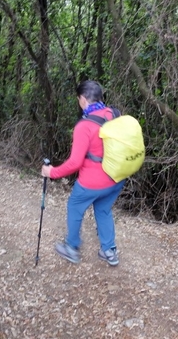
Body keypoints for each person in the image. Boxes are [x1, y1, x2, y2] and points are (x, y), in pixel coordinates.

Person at [41, 80, 125, 267]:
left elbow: (75, 163)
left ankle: (71, 247)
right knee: (103, 210)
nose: (79, 101)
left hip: (93, 182)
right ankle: (109, 251)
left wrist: (52, 172)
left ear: (84, 99)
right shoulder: (114, 114)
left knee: (75, 206)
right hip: (117, 178)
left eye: (79, 98)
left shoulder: (84, 126)